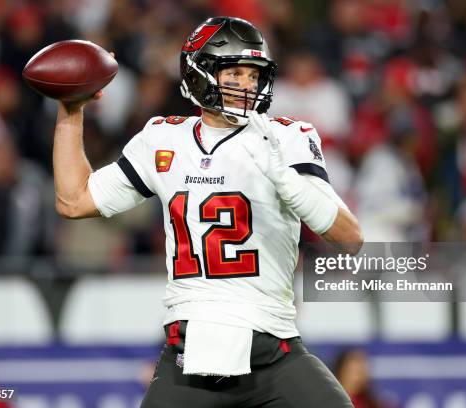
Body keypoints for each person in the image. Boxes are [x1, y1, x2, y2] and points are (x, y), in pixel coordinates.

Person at [53, 16, 362, 408]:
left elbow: (349, 237)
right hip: (190, 356)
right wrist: (71, 111)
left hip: (274, 350)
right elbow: (74, 201)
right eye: (234, 72)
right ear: (200, 74)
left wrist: (287, 180)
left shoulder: (286, 138)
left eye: (254, 74)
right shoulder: (163, 139)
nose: (248, 84)